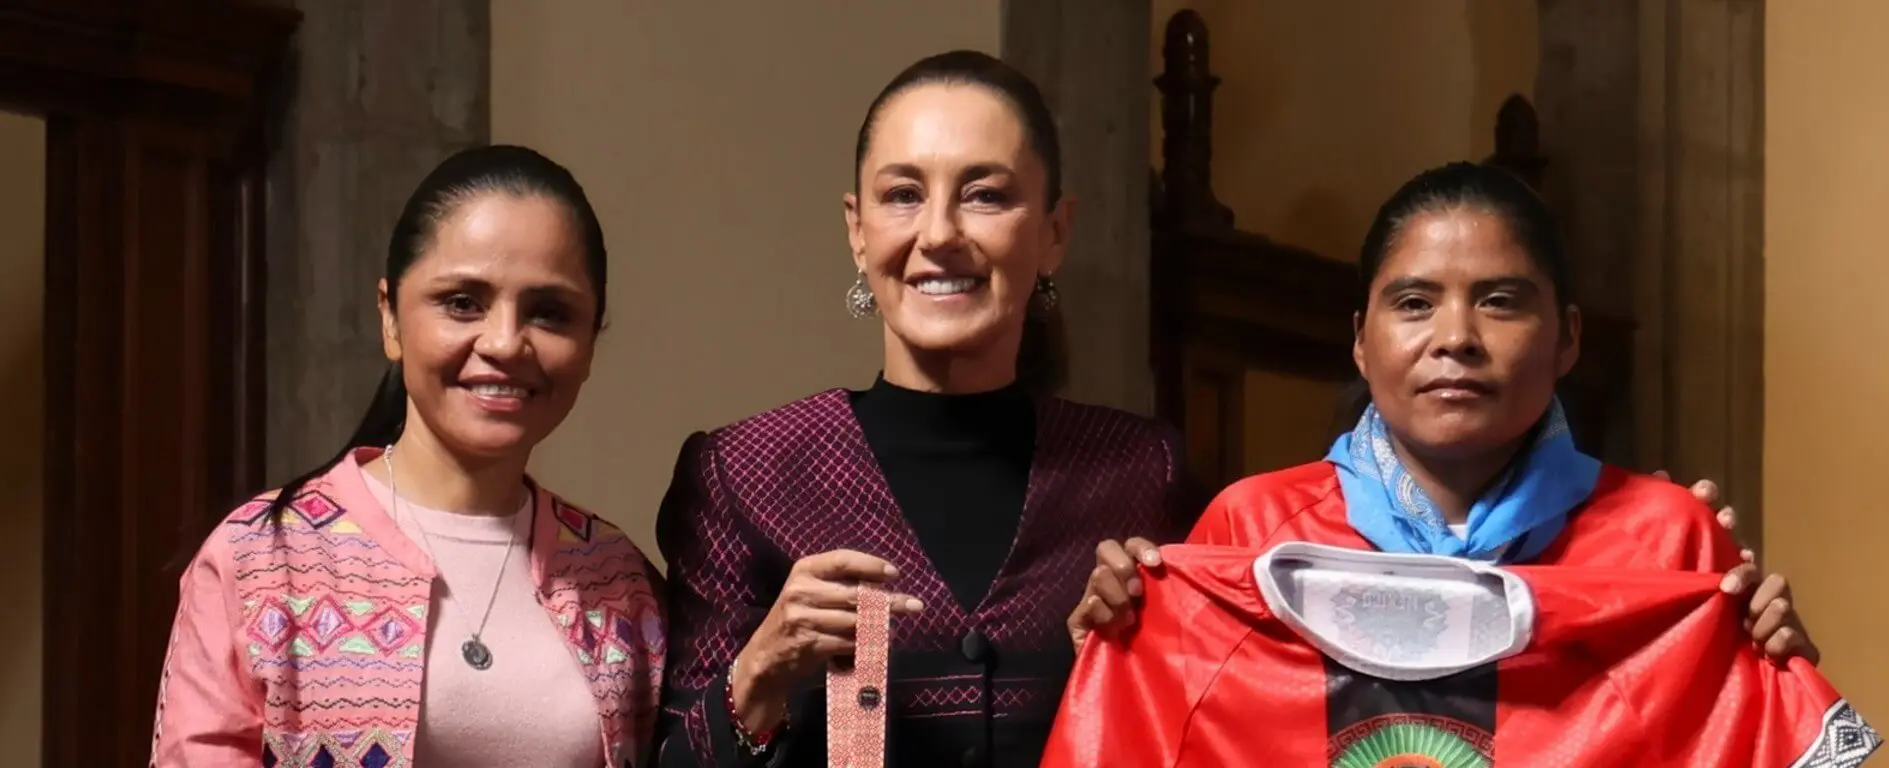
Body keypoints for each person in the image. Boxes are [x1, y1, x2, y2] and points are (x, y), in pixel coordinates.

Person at [652, 50, 1201, 768]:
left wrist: (1123, 669)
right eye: (903, 195)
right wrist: (760, 672)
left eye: (985, 195)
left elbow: (1211, 736)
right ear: (857, 229)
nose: (938, 233)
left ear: (1054, 232)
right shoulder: (744, 474)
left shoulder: (1141, 474)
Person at [1070, 161, 1819, 664]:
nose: (1456, 338)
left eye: (1499, 302)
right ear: (1362, 341)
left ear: (1568, 338)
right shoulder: (1254, 529)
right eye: (1415, 304)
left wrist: (1772, 668)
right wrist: (1125, 647)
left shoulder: (1666, 538)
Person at [150, 146, 665, 768]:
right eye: (462, 302)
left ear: (588, 343)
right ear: (390, 318)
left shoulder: (617, 578)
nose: (504, 342)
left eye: (549, 313)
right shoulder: (263, 560)